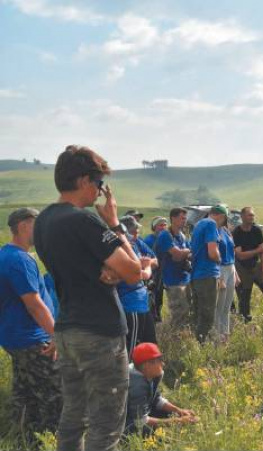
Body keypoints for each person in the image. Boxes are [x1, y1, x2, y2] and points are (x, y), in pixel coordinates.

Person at [34, 145, 146, 451]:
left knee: (73, 415)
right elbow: (134, 271)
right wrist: (114, 224)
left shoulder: (44, 221)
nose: (100, 193)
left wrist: (111, 270)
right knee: (106, 423)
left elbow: (97, 268)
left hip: (67, 328)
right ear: (84, 180)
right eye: (99, 185)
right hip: (99, 330)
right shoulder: (84, 221)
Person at [0, 208, 62, 443]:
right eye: (38, 225)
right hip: (33, 339)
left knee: (24, 391)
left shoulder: (5, 255)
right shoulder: (19, 259)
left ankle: (21, 438)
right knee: (55, 393)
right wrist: (56, 335)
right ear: (25, 226)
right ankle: (51, 441)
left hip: (15, 337)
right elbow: (34, 305)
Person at [125, 343, 197, 437]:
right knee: (151, 431)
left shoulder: (148, 374)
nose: (163, 364)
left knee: (171, 414)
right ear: (147, 365)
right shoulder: (136, 385)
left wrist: (179, 410)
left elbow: (156, 399)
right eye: (159, 360)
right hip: (124, 425)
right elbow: (140, 421)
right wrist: (177, 421)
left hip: (139, 415)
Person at [117, 215, 158, 356]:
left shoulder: (132, 246)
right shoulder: (119, 249)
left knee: (150, 342)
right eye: (133, 232)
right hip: (131, 304)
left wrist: (143, 265)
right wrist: (146, 267)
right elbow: (141, 275)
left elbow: (153, 261)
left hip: (141, 302)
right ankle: (129, 376)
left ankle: (149, 374)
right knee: (132, 348)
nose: (136, 235)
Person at [233, 207, 263, 322]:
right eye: (249, 215)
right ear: (242, 217)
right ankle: (245, 321)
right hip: (241, 267)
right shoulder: (236, 232)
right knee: (244, 297)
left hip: (255, 265)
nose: (252, 217)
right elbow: (240, 255)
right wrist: (256, 251)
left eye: (253, 215)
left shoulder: (256, 231)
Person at [190, 205, 226, 342]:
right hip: (207, 273)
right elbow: (212, 252)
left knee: (199, 312)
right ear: (221, 216)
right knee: (208, 314)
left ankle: (197, 341)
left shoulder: (198, 224)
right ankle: (203, 344)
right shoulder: (211, 224)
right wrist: (219, 258)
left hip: (197, 274)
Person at [156, 208, 192, 329]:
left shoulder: (182, 235)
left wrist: (183, 253)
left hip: (185, 278)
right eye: (182, 218)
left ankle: (184, 336)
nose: (184, 221)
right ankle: (176, 339)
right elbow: (177, 255)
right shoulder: (165, 235)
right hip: (173, 280)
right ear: (173, 218)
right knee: (179, 312)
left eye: (185, 218)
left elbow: (186, 254)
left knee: (187, 310)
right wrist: (185, 252)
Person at [215, 212, 238, 341]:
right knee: (219, 305)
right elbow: (215, 255)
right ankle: (217, 336)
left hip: (231, 268)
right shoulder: (214, 232)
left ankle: (226, 334)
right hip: (221, 268)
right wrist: (219, 277)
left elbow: (232, 253)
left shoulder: (226, 231)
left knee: (228, 305)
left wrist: (236, 273)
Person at [144, 217, 168, 322]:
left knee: (159, 298)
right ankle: (151, 320)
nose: (163, 227)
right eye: (160, 225)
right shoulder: (148, 240)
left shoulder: (165, 239)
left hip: (162, 273)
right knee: (151, 298)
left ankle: (157, 318)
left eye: (164, 225)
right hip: (151, 274)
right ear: (154, 227)